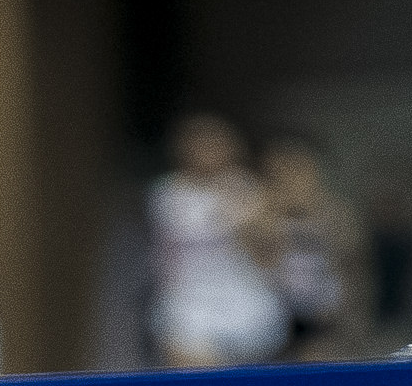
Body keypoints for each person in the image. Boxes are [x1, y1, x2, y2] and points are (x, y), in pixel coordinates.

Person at [147, 110, 284, 369]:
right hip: (190, 304)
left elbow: (269, 251)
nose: (207, 152)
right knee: (198, 375)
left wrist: (251, 212)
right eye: (199, 145)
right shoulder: (166, 192)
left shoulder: (250, 188)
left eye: (215, 144)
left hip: (245, 301)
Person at [258, 132, 365, 361]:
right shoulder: (259, 211)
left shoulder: (334, 210)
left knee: (317, 360)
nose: (290, 179)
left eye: (297, 170)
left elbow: (350, 260)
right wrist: (275, 212)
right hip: (275, 314)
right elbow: (259, 258)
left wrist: (312, 213)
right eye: (279, 172)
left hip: (322, 312)